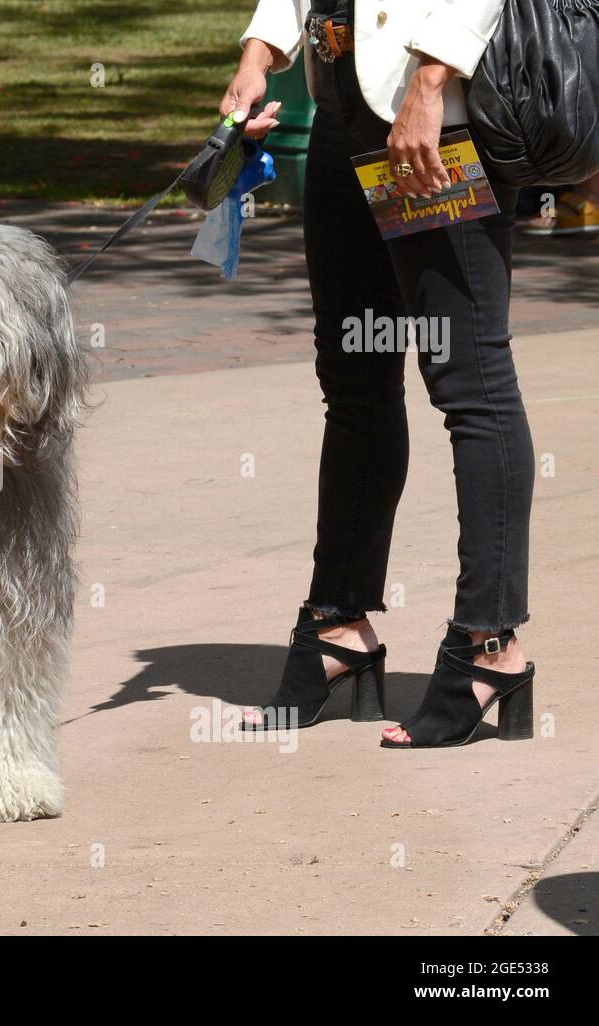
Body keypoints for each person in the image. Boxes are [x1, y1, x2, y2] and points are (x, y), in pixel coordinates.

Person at [224, 1, 537, 747]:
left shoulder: (435, 96)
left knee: (471, 384)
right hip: (342, 115)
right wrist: (258, 54)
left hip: (436, 118)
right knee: (355, 384)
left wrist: (432, 81)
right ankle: (339, 627)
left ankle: (490, 647)